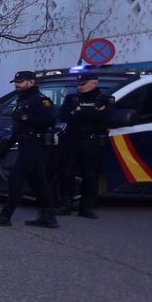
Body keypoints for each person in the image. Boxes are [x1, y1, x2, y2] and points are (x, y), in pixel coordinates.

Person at [0, 70, 59, 228]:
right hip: (26, 142)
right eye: (16, 82)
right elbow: (19, 127)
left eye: (20, 82)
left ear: (31, 82)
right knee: (39, 181)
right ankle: (49, 216)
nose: (17, 85)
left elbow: (50, 120)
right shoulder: (22, 100)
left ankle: (6, 215)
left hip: (36, 144)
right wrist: (8, 145)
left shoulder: (41, 100)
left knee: (16, 178)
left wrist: (27, 117)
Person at [57, 72, 112, 218]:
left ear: (94, 83)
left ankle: (85, 207)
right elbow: (63, 116)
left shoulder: (104, 99)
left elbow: (106, 119)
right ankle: (66, 204)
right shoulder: (71, 98)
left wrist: (77, 114)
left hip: (91, 142)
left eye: (83, 84)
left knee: (90, 174)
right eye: (78, 84)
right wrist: (91, 114)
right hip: (71, 140)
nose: (80, 86)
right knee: (67, 173)